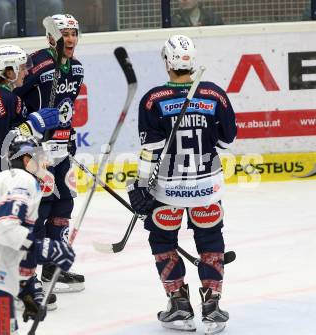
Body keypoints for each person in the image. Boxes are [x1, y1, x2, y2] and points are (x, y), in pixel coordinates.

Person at [127, 35, 236, 334]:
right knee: (211, 241)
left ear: (167, 62)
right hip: (207, 188)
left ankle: (178, 304)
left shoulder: (154, 99)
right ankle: (212, 306)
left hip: (168, 190)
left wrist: (139, 185)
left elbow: (151, 151)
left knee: (163, 242)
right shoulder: (215, 96)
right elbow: (228, 140)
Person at [0, 134, 76, 334]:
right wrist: (48, 248)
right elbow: (6, 230)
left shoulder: (0, 182)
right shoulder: (23, 180)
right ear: (27, 160)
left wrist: (27, 290)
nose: (45, 163)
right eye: (39, 157)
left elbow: (15, 244)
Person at [14, 14, 85, 293]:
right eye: (65, 34)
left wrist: (70, 135)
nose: (70, 39)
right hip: (37, 151)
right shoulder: (36, 64)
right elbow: (14, 97)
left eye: (74, 33)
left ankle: (53, 268)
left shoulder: (76, 69)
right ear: (51, 37)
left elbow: (67, 107)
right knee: (40, 208)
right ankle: (30, 272)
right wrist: (23, 137)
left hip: (62, 149)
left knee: (64, 204)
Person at [0, 44, 59, 201]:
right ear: (8, 71)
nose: (26, 72)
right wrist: (32, 125)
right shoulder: (9, 100)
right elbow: (4, 142)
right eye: (21, 68)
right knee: (3, 221)